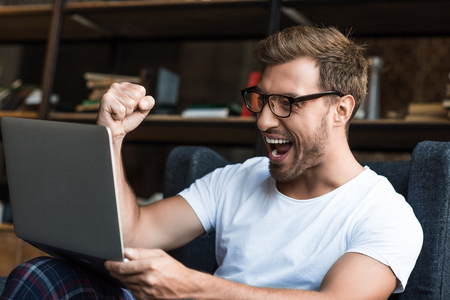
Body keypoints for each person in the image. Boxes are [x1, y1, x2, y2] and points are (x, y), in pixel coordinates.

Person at [1, 25, 422, 300]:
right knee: (39, 277)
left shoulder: (386, 216)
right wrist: (111, 137)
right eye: (260, 100)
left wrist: (189, 286)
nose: (262, 119)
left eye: (285, 103)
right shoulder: (236, 180)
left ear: (341, 110)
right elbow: (133, 235)